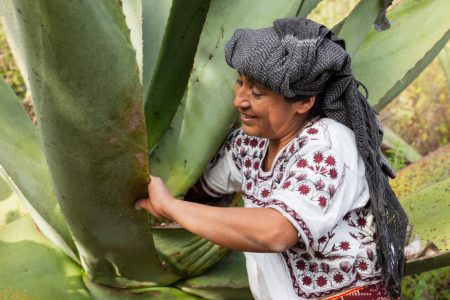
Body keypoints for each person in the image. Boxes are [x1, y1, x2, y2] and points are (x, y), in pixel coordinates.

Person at [137, 17, 408, 300]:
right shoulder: (251, 144)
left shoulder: (328, 147)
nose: (239, 100)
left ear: (304, 102)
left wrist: (169, 207)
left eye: (257, 92)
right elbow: (201, 185)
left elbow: (276, 231)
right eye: (239, 83)